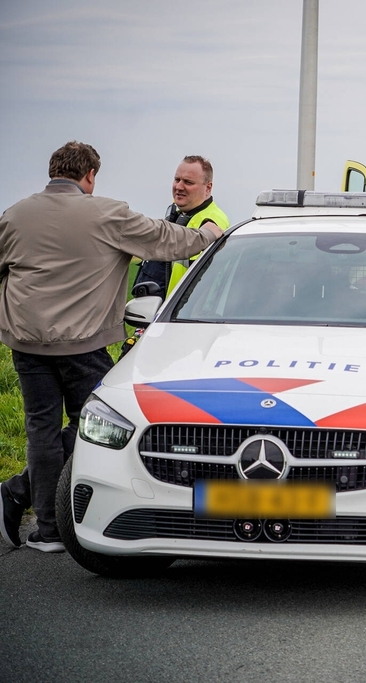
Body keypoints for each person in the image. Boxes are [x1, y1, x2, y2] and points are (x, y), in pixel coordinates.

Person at [0, 141, 223, 552]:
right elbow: (169, 241)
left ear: (52, 171)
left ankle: (46, 529)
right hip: (83, 344)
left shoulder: (14, 215)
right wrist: (208, 233)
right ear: (90, 176)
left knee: (41, 430)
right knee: (97, 426)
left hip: (27, 342)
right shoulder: (108, 214)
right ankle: (54, 507)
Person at [131, 155, 230, 300]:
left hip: (180, 311)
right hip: (159, 310)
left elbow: (204, 285)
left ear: (208, 188)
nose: (179, 187)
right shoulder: (179, 216)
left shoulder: (212, 222)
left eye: (188, 182)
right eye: (177, 180)